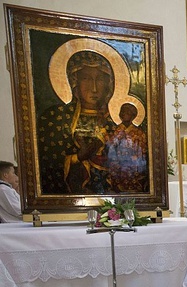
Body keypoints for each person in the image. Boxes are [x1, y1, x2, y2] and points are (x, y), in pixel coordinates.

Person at [37, 51, 117, 194]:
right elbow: (48, 163)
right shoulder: (56, 117)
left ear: (108, 84)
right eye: (86, 78)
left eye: (99, 80)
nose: (94, 88)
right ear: (74, 82)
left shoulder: (115, 122)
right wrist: (77, 158)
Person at [106, 103, 148, 193]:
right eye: (123, 112)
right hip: (118, 164)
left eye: (128, 113)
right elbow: (110, 147)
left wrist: (135, 158)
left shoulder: (139, 133)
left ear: (133, 116)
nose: (125, 115)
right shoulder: (116, 131)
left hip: (133, 164)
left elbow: (142, 150)